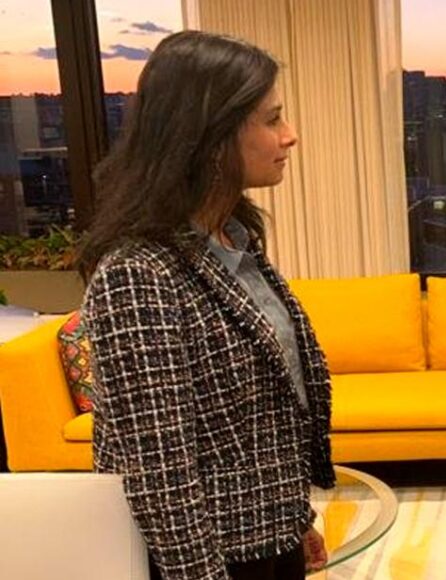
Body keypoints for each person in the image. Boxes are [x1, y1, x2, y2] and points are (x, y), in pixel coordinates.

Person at [78, 30, 333, 580]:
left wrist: (293, 519)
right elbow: (160, 476)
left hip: (266, 536)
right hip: (205, 560)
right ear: (211, 136)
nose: (290, 136)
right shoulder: (138, 274)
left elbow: (263, 420)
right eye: (272, 120)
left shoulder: (234, 240)